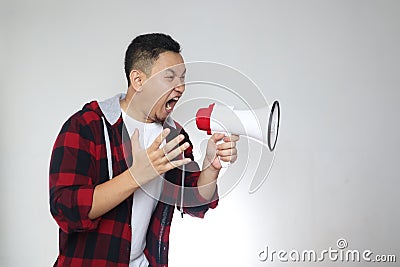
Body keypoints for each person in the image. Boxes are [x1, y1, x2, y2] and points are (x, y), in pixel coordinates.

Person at [49, 33, 239, 267]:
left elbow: (195, 203)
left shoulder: (174, 136)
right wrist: (136, 176)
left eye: (183, 78)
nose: (180, 87)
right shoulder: (86, 126)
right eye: (170, 77)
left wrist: (211, 167)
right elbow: (65, 208)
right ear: (138, 80)